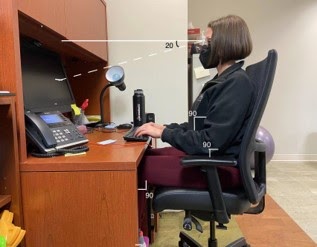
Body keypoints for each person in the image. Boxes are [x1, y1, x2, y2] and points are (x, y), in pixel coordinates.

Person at [135, 14, 254, 237]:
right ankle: (139, 233)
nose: (202, 47)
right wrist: (164, 128)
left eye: (207, 42)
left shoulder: (236, 84)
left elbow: (210, 141)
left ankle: (137, 238)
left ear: (223, 44)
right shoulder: (225, 81)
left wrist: (166, 133)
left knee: (138, 167)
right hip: (215, 163)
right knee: (148, 155)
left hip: (220, 170)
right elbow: (199, 126)